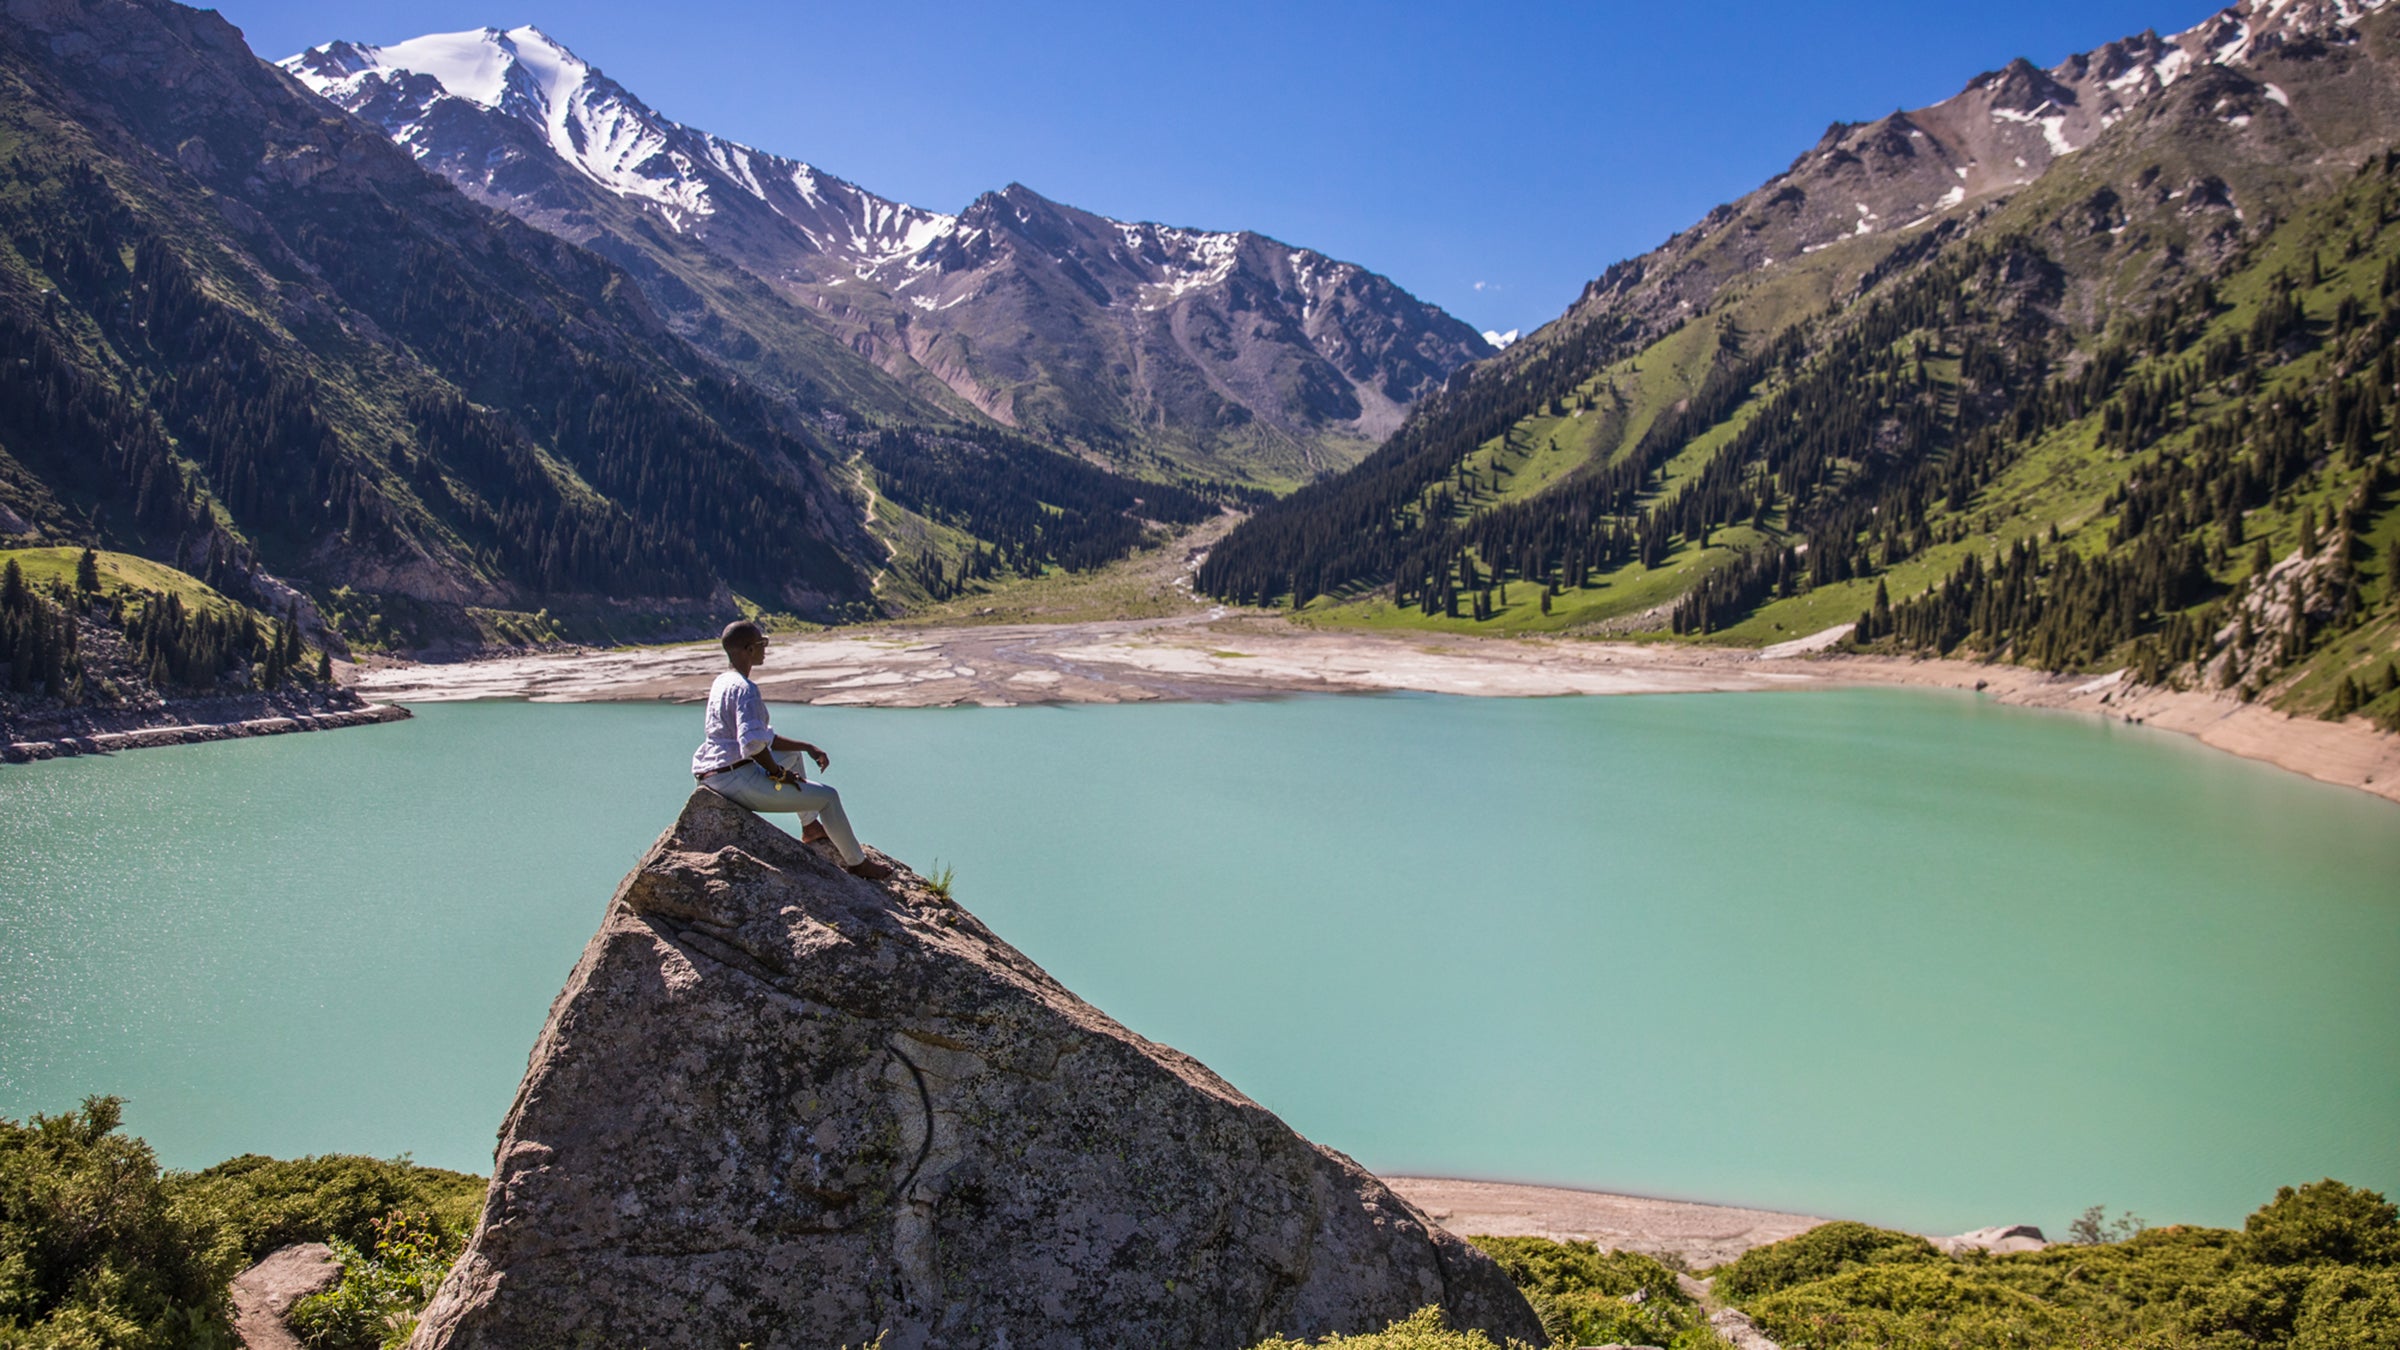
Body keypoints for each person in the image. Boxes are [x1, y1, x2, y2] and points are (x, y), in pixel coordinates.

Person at [691, 620, 893, 880]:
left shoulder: (723, 682)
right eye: (762, 643)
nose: (765, 648)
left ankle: (810, 827)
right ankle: (857, 863)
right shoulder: (747, 690)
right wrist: (777, 773)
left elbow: (765, 738)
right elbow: (753, 745)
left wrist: (807, 747)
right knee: (828, 797)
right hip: (735, 779)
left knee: (792, 756)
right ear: (749, 649)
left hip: (715, 773)